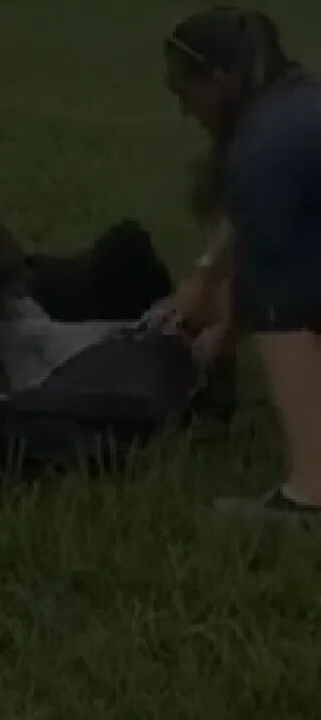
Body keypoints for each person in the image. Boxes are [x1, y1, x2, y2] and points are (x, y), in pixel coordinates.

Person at [148, 7, 321, 517]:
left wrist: (220, 338)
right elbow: (256, 221)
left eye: (185, 94)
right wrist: (202, 278)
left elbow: (263, 276)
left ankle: (310, 496)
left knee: (273, 299)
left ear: (218, 80)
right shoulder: (294, 101)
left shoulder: (262, 148)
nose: (185, 111)